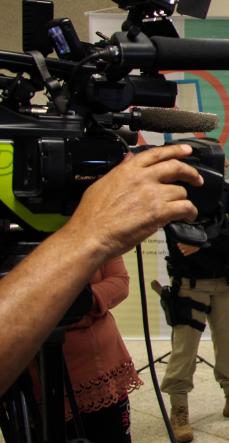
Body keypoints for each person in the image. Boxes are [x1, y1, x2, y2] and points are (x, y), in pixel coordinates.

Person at [0, 144, 202, 395]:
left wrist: (88, 300)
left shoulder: (90, 222)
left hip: (100, 355)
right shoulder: (87, 226)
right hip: (35, 372)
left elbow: (119, 281)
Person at [161, 146, 229, 443]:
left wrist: (203, 241)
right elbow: (179, 239)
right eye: (221, 161)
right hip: (190, 285)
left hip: (225, 285)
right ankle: (179, 409)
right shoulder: (178, 195)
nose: (228, 163)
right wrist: (210, 241)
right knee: (184, 350)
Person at [40, 256, 140, 443]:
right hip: (41, 380)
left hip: (104, 371)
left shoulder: (95, 229)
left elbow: (119, 282)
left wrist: (84, 303)